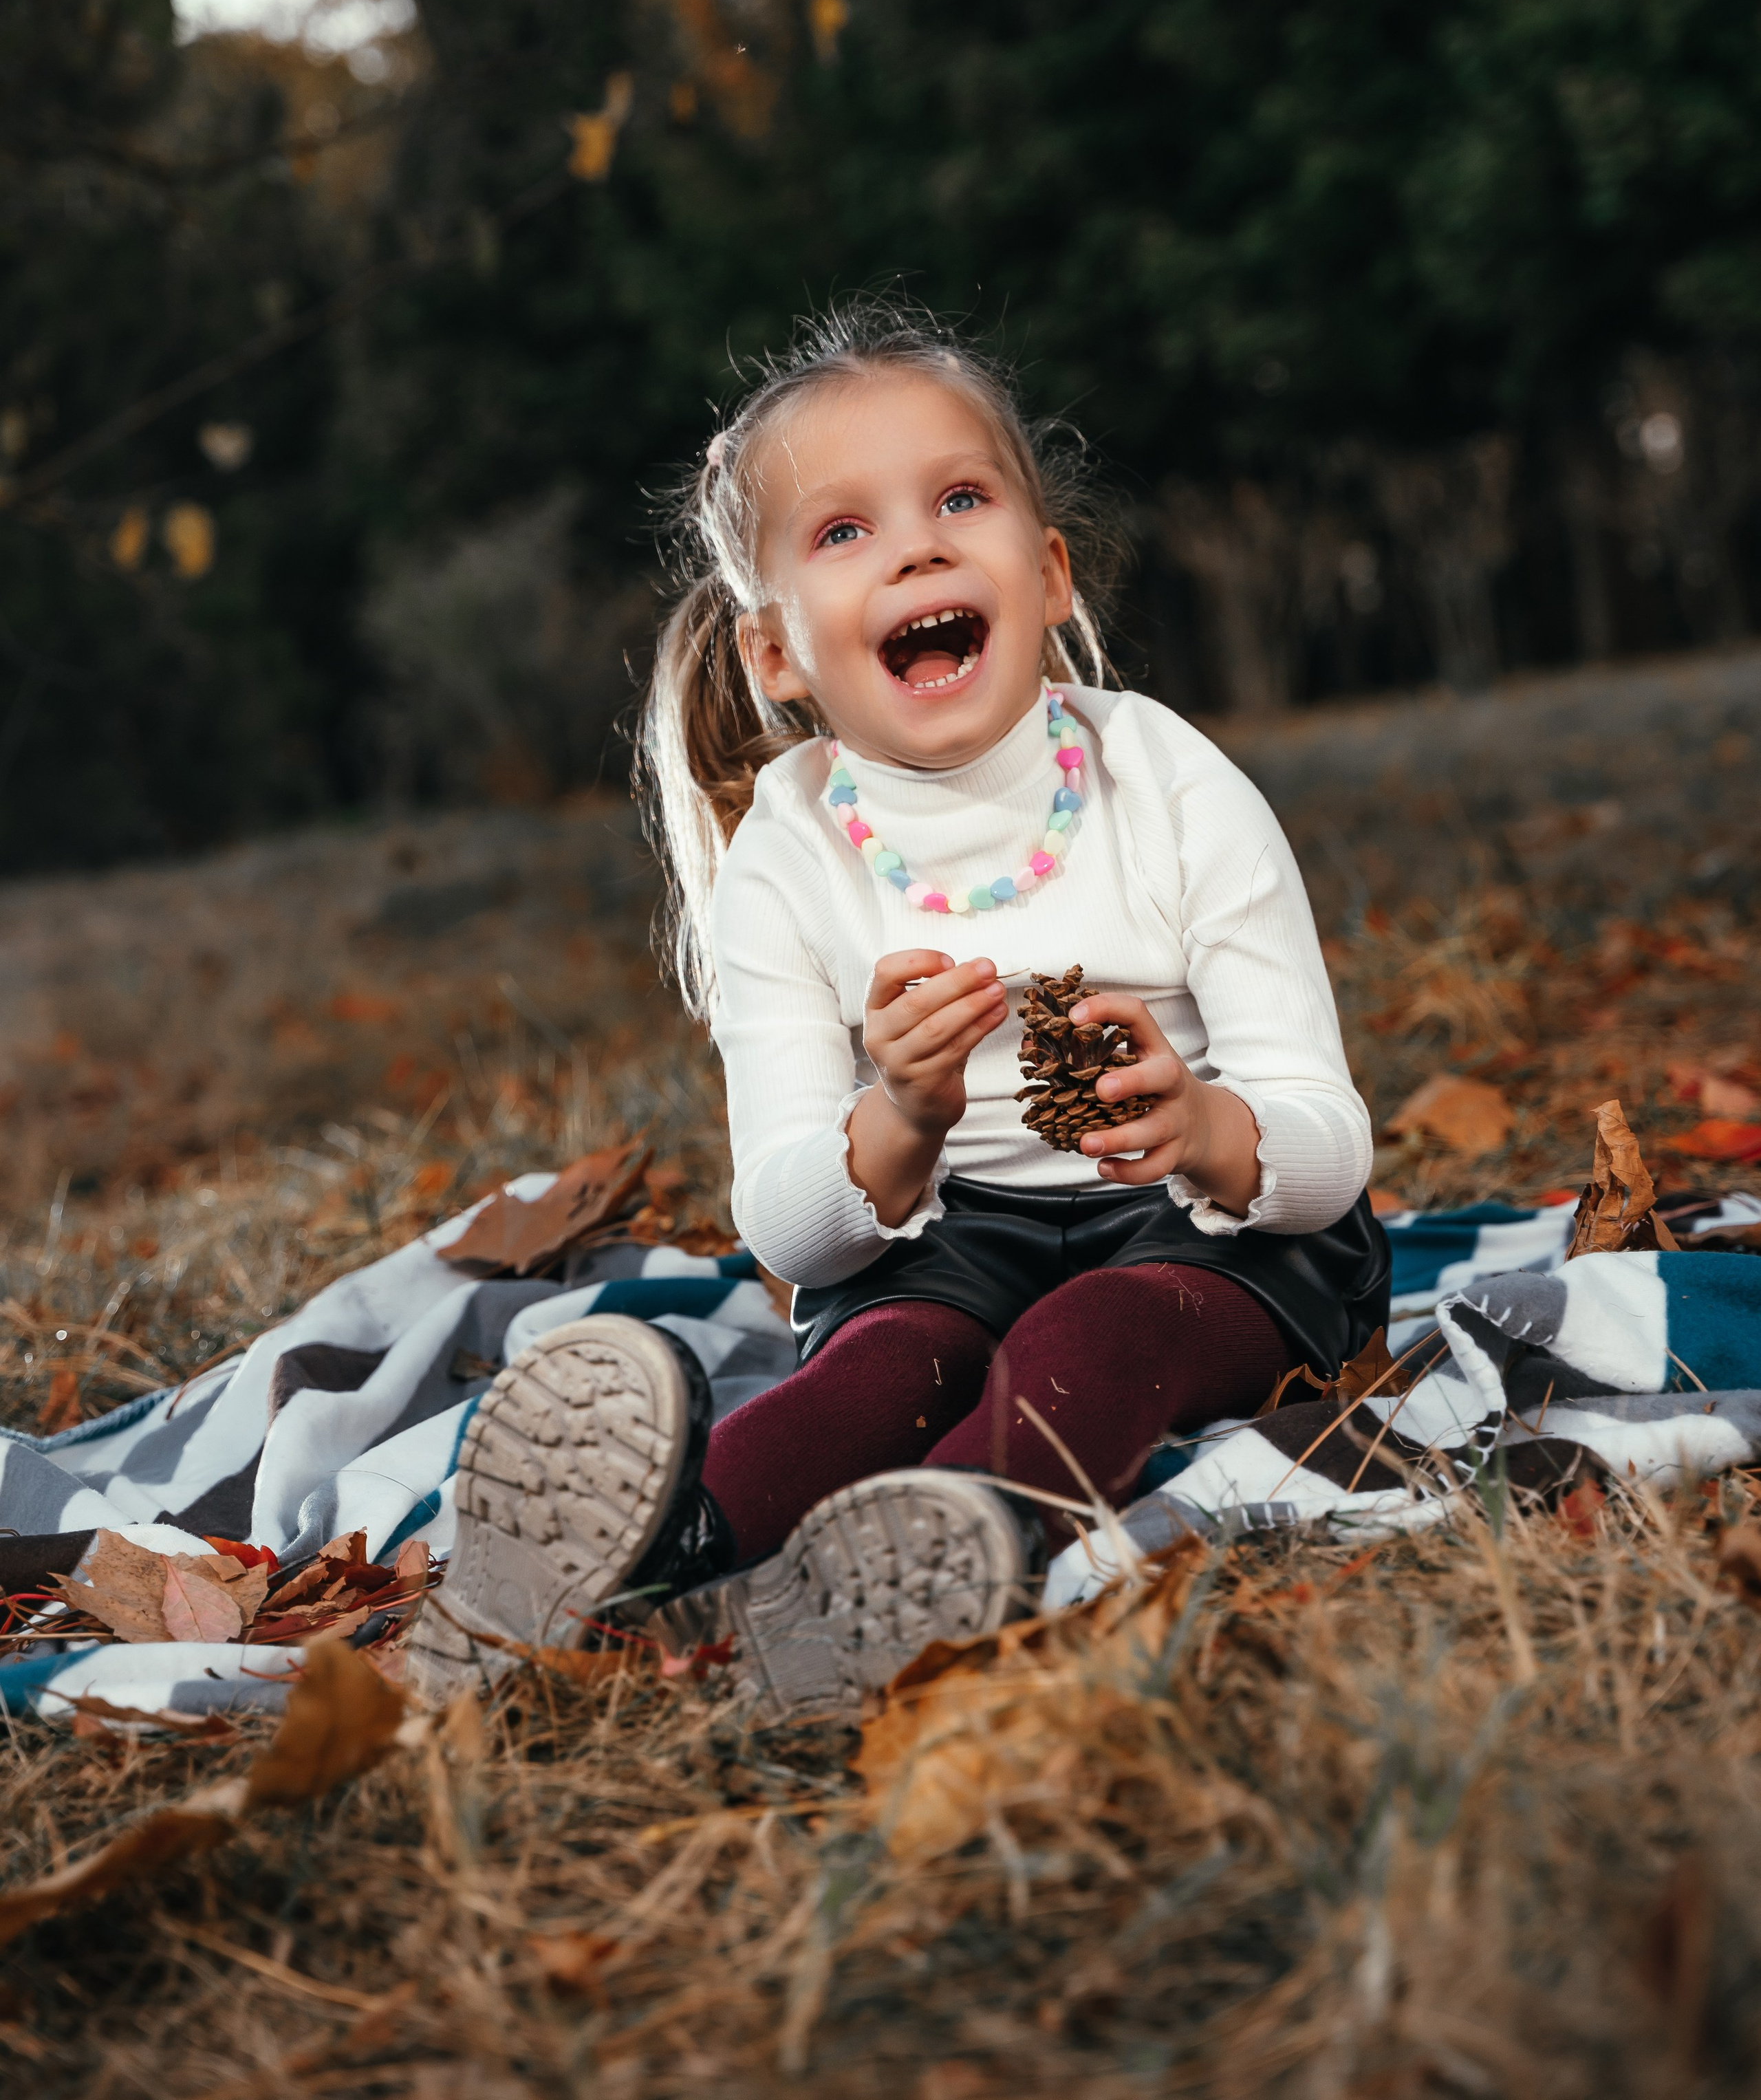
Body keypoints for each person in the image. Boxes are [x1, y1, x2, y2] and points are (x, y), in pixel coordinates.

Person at [409, 304, 1385, 1711]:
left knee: (1089, 1338)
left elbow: (1326, 1147)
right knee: (877, 1374)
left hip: (1211, 1243)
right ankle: (637, 1580)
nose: (918, 544)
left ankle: (927, 1556)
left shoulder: (1166, 783)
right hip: (947, 1243)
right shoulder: (788, 860)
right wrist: (902, 1118)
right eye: (843, 531)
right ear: (777, 657)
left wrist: (1204, 1125)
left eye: (959, 499)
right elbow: (791, 1230)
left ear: (1045, 574)